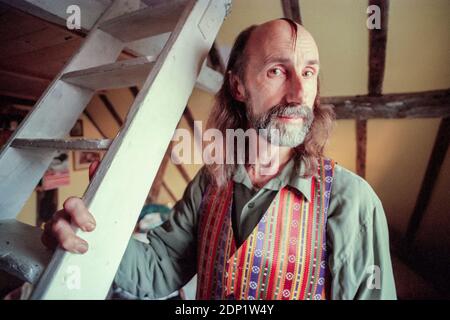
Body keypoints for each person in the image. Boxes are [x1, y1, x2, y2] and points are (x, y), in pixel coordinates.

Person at [42, 19, 397, 300]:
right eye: (277, 70)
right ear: (238, 87)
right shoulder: (209, 183)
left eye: (308, 72)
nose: (300, 93)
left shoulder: (352, 202)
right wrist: (93, 233)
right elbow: (157, 270)